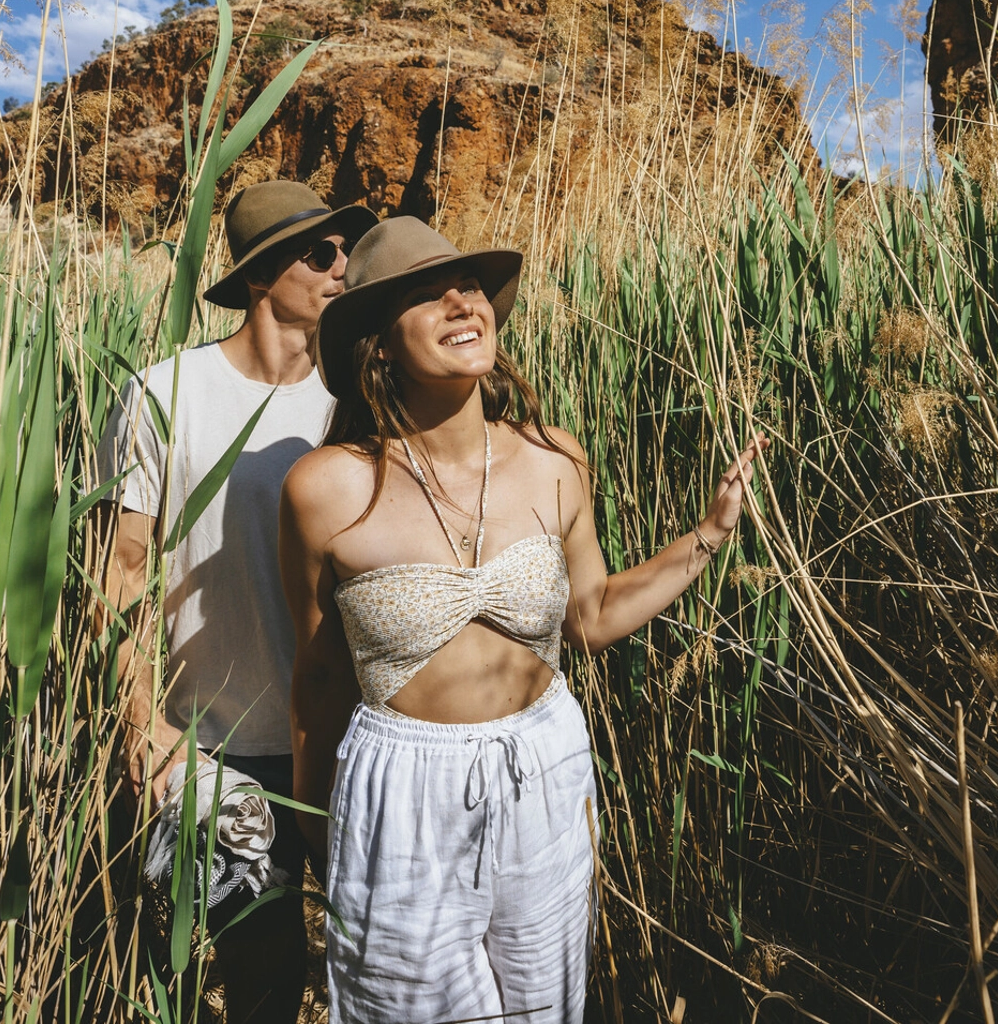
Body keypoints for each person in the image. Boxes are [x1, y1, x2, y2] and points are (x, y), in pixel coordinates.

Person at [279, 215, 766, 1024]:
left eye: (466, 285)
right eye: (424, 296)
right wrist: (321, 831)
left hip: (543, 765)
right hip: (402, 787)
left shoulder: (554, 459)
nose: (459, 302)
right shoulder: (324, 488)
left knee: (545, 1005)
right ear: (379, 344)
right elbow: (320, 675)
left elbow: (592, 614)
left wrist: (708, 536)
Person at [100, 179, 377, 1023]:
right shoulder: (162, 393)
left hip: (340, 738)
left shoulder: (357, 401)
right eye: (320, 252)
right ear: (261, 276)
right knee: (243, 972)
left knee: (360, 965)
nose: (341, 267)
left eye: (347, 253)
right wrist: (145, 729)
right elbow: (121, 572)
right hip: (208, 749)